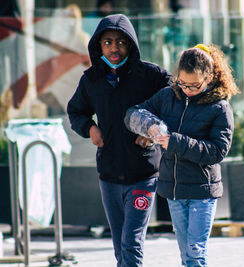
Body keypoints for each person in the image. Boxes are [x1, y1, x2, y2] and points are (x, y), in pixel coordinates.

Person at [67, 14, 172, 267]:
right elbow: (76, 111)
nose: (114, 48)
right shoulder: (91, 80)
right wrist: (90, 127)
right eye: (108, 42)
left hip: (143, 173)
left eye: (121, 42)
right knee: (119, 246)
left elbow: (173, 101)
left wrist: (153, 133)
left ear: (131, 45)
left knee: (131, 243)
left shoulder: (151, 76)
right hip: (109, 174)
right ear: (98, 46)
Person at [125, 44, 239, 266]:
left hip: (202, 191)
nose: (187, 90)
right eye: (183, 83)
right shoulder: (168, 96)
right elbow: (133, 113)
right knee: (186, 255)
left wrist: (173, 141)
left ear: (209, 78)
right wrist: (150, 126)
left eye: (195, 85)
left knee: (196, 253)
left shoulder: (220, 107)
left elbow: (216, 152)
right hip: (174, 190)